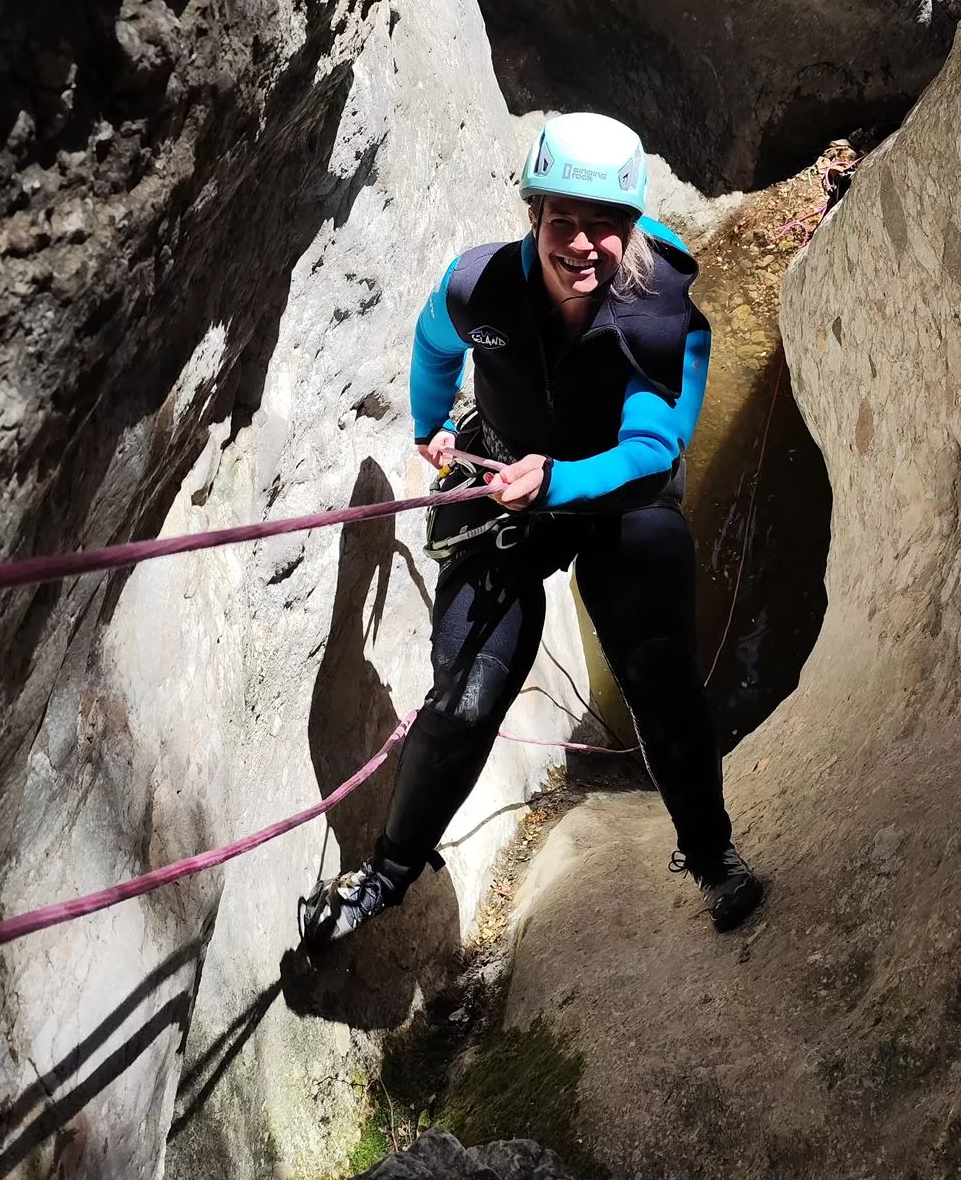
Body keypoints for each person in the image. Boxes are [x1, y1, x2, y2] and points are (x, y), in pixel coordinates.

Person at [299, 112, 765, 949]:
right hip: (508, 473)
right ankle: (388, 875)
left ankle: (711, 854)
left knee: (660, 682)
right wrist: (431, 420)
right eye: (563, 223)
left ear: (630, 230)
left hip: (621, 494)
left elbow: (652, 453)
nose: (582, 246)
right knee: (467, 697)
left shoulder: (666, 318)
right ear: (532, 216)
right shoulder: (478, 287)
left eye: (604, 229)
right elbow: (435, 340)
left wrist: (557, 480)